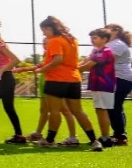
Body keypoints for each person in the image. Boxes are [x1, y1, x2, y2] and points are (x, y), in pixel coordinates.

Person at [25, 16, 101, 151]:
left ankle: (49, 140)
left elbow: (58, 60)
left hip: (56, 79)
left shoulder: (54, 41)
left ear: (50, 28)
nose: (43, 34)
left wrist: (41, 69)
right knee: (78, 111)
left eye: (44, 30)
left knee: (54, 110)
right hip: (73, 79)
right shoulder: (72, 40)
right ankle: (94, 141)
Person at [78, 28, 116, 148]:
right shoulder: (96, 51)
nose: (92, 40)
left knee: (102, 110)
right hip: (97, 85)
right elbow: (85, 61)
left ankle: (106, 137)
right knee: (100, 110)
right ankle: (104, 136)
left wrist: (72, 69)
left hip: (104, 84)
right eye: (91, 38)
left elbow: (88, 65)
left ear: (104, 39)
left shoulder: (104, 51)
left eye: (95, 38)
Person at [106, 24, 132, 146]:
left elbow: (106, 59)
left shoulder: (117, 44)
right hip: (119, 78)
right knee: (115, 107)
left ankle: (120, 136)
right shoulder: (113, 43)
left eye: (106, 29)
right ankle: (119, 135)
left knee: (114, 107)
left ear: (116, 31)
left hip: (122, 78)